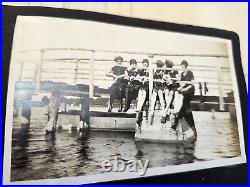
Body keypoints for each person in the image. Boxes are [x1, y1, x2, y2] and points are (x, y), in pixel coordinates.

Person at [172, 60, 197, 140]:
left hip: (190, 90)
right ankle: (191, 129)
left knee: (184, 102)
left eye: (183, 66)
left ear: (186, 66)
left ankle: (176, 122)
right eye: (181, 66)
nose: (182, 68)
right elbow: (182, 84)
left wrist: (185, 89)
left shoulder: (190, 73)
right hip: (184, 91)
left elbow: (191, 84)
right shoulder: (182, 74)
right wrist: (180, 88)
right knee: (184, 107)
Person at [149, 60, 165, 125]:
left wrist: (163, 88)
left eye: (160, 66)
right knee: (153, 100)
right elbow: (152, 81)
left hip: (161, 88)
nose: (159, 67)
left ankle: (163, 115)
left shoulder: (163, 72)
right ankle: (151, 114)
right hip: (156, 88)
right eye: (158, 66)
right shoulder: (154, 72)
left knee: (162, 100)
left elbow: (164, 81)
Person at [136, 59, 150, 131]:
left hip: (147, 87)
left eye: (146, 63)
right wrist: (141, 78)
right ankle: (139, 122)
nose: (145, 64)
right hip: (142, 86)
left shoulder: (150, 70)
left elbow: (151, 79)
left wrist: (146, 78)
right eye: (144, 63)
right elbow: (138, 77)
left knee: (145, 105)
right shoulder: (141, 70)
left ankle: (145, 119)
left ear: (148, 64)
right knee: (141, 104)